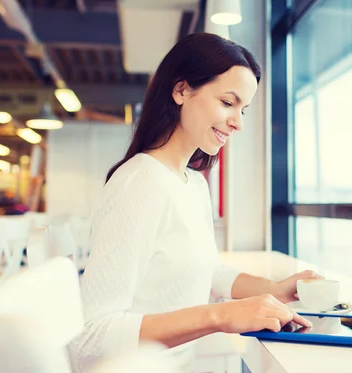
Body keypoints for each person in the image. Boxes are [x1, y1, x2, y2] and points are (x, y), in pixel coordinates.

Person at [69, 33, 323, 372]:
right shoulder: (141, 181)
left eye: (243, 109)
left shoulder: (191, 184)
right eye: (228, 102)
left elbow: (208, 269)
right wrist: (220, 315)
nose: (239, 123)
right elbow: (89, 338)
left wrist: (274, 290)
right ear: (181, 90)